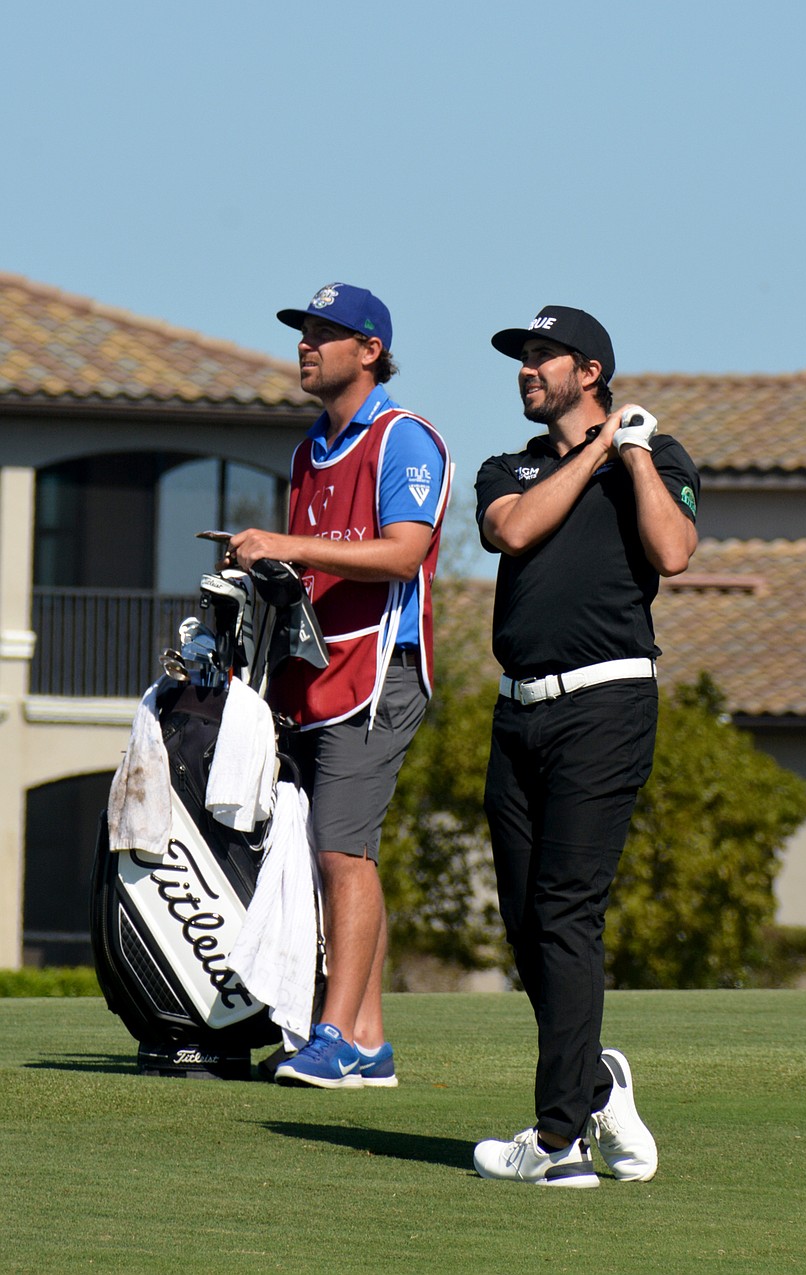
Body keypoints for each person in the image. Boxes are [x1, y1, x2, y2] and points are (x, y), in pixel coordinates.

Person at [472, 305, 699, 1186]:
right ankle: (598, 1083)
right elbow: (513, 529)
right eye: (522, 357)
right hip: (516, 711)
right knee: (530, 926)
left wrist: (634, 453)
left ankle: (559, 1136)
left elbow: (673, 552)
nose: (527, 369)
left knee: (567, 912)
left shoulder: (657, 456)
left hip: (605, 705)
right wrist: (596, 451)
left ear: (590, 370)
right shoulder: (511, 466)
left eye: (542, 355)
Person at [230, 282, 450, 1089]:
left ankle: (335, 1034)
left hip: (380, 673)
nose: (305, 344)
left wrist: (292, 542)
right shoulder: (307, 450)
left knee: (340, 850)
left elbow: (402, 553)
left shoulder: (404, 438)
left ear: (370, 351)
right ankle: (368, 1039)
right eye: (303, 331)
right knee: (347, 852)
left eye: (325, 332)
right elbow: (319, 565)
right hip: (318, 675)